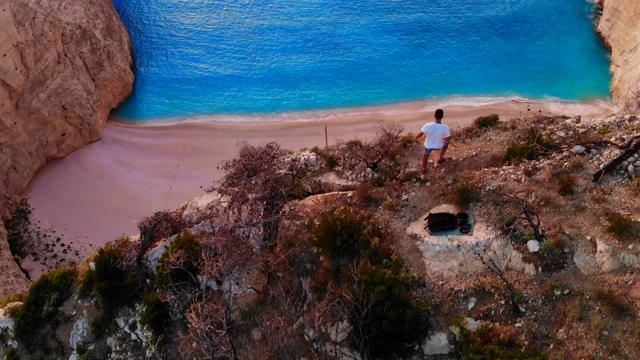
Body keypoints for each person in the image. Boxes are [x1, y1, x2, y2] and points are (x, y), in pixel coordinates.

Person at [415, 108, 451, 174]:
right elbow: (448, 138)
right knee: (446, 145)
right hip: (439, 145)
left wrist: (416, 137)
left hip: (428, 146)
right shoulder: (445, 127)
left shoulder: (428, 125)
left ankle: (424, 167)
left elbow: (419, 135)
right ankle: (440, 158)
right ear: (442, 117)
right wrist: (443, 139)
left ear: (434, 116)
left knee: (426, 155)